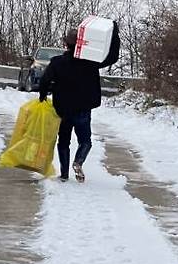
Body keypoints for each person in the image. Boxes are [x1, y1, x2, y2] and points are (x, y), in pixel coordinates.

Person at [38, 21, 120, 183]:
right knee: (85, 141)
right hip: (83, 109)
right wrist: (115, 36)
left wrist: (42, 95)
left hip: (62, 110)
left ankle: (64, 174)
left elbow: (44, 81)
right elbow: (112, 57)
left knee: (63, 142)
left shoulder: (57, 62)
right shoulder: (90, 62)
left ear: (65, 44)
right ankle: (79, 161)